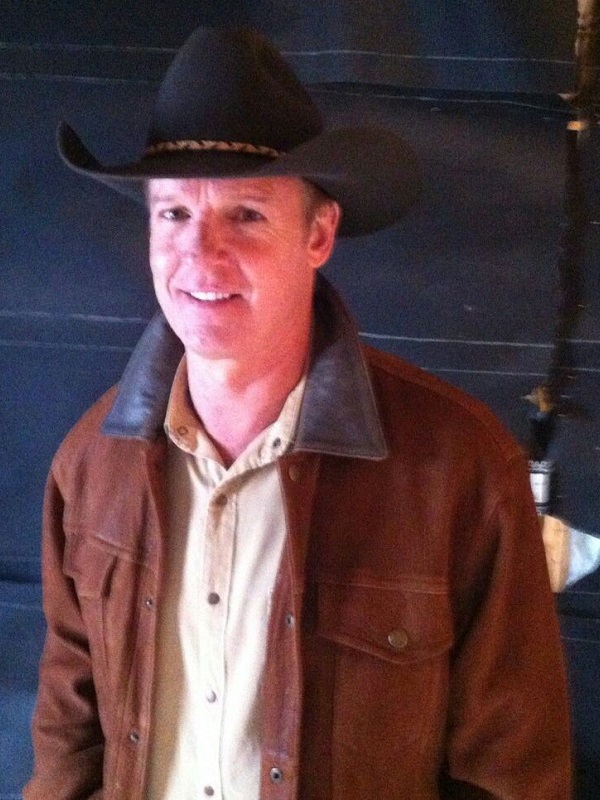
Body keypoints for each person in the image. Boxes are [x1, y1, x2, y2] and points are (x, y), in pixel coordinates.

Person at [24, 25, 572, 800]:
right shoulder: (89, 463)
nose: (200, 254)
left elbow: (513, 771)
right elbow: (68, 729)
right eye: (174, 214)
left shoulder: (460, 467)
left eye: (246, 214)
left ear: (318, 234)